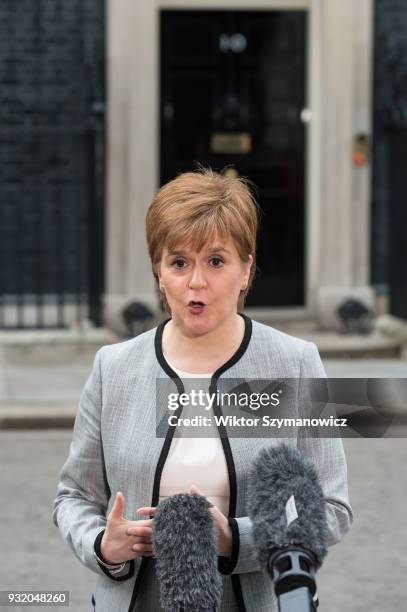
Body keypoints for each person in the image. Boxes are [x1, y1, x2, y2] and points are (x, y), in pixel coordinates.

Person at [52, 167, 353, 612]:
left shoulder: (294, 363)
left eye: (216, 261)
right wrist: (103, 544)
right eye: (179, 262)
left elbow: (331, 508)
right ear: (159, 272)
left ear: (246, 270)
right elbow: (74, 497)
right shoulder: (113, 368)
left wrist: (235, 539)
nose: (197, 282)